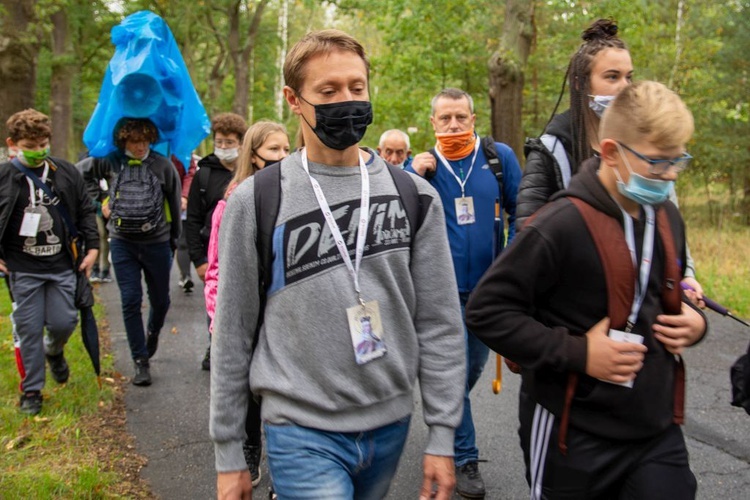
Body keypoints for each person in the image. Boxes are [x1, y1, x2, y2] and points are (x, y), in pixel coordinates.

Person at [210, 29, 465, 500]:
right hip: (299, 426)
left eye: (357, 88)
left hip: (390, 423)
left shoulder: (415, 196)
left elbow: (440, 322)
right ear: (294, 99)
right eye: (328, 92)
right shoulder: (258, 200)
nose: (346, 101)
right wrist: (229, 451)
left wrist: (443, 434)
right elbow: (233, 331)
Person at [466, 81, 708, 499]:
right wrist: (580, 353)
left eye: (678, 161)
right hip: (572, 433)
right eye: (657, 163)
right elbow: (487, 311)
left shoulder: (667, 215)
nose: (669, 176)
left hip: (655, 430)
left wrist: (695, 321)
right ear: (612, 152)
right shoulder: (558, 224)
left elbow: (660, 289)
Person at [516, 18, 705, 302]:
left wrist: (685, 273)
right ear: (580, 82)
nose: (624, 87)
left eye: (629, 77)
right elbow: (527, 238)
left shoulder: (646, 144)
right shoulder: (551, 151)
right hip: (574, 309)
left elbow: (667, 217)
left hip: (642, 300)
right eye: (612, 77)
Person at [406, 87, 522, 498]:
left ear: (473, 120)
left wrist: (510, 263)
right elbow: (399, 224)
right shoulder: (418, 168)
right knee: (454, 377)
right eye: (445, 118)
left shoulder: (498, 158)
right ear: (433, 122)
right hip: (441, 294)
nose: (453, 125)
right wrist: (411, 174)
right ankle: (464, 455)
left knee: (468, 372)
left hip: (491, 293)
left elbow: (520, 211)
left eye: (461, 117)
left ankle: (448, 421)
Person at [203, 120, 290, 486]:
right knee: (252, 391)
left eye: (287, 149)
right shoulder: (232, 203)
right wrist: (218, 314)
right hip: (247, 312)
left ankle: (287, 472)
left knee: (285, 391)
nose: (282, 157)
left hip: (285, 310)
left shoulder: (299, 196)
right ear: (253, 156)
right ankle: (250, 448)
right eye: (273, 151)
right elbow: (217, 268)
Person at [0, 109, 99, 414]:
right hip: (22, 266)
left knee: (63, 322)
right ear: (13, 143)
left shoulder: (66, 172)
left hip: (61, 264)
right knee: (28, 327)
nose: (38, 150)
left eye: (43, 143)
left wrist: (92, 248)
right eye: (30, 145)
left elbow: (84, 211)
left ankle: (53, 350)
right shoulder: (5, 175)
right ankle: (32, 391)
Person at [88, 117, 181, 386]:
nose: (139, 146)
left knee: (161, 301)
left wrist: (173, 240)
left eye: (144, 141)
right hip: (122, 242)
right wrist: (100, 203)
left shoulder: (163, 166)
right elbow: (82, 176)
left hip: (157, 242)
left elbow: (174, 205)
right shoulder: (110, 161)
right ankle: (140, 360)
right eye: (133, 141)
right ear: (122, 140)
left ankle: (152, 331)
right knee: (130, 299)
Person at [185, 112, 247, 370]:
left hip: (243, 251)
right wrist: (199, 259)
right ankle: (216, 346)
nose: (223, 148)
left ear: (241, 143)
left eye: (229, 143)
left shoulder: (249, 171)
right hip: (213, 254)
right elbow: (193, 220)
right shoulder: (204, 175)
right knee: (215, 303)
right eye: (219, 142)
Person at [77, 154, 113, 283]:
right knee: (99, 234)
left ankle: (104, 268)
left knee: (105, 234)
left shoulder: (112, 162)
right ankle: (96, 267)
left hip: (105, 204)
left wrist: (107, 198)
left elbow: (112, 182)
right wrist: (99, 198)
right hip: (92, 205)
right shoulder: (86, 166)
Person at [173, 153, 198, 293]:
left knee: (183, 241)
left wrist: (184, 196)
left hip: (182, 203)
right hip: (161, 204)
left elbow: (190, 173)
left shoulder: (184, 150)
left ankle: (186, 275)